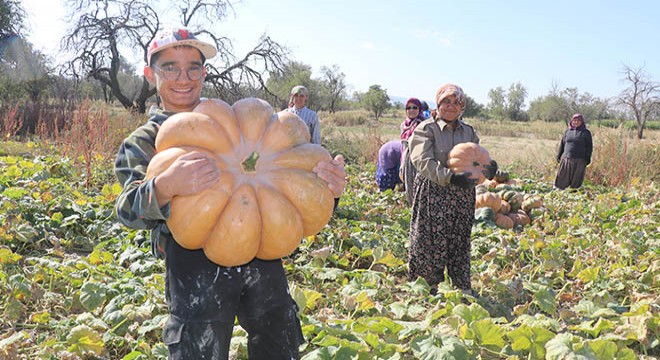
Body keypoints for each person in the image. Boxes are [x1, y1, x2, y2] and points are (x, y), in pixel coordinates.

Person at [114, 27, 346, 360]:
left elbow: (294, 188)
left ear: (204, 73)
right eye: (170, 67)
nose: (184, 77)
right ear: (150, 73)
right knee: (200, 349)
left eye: (193, 67)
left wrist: (328, 187)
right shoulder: (145, 140)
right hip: (192, 266)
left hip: (261, 257)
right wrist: (165, 186)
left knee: (278, 343)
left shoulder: (238, 119)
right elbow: (126, 211)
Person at [407, 84, 497, 294]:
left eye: (456, 103)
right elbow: (422, 161)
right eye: (446, 101)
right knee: (428, 241)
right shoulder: (426, 129)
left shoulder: (469, 132)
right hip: (434, 191)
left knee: (459, 240)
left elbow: (478, 158)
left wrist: (490, 168)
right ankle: (426, 289)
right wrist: (450, 178)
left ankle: (461, 287)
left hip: (462, 195)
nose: (450, 106)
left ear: (462, 108)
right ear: (438, 104)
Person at [399, 97, 427, 203]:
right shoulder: (404, 125)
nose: (411, 110)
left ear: (419, 109)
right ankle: (412, 207)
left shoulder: (423, 124)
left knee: (419, 185)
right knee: (408, 183)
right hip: (407, 158)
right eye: (408, 108)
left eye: (414, 107)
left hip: (420, 159)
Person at [554, 113, 593, 189]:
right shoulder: (568, 132)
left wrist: (587, 159)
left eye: (578, 120)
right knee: (562, 178)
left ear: (582, 122)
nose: (576, 122)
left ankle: (574, 193)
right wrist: (559, 156)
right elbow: (562, 144)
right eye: (574, 120)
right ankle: (560, 191)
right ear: (571, 121)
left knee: (576, 180)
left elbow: (589, 147)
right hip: (567, 159)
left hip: (580, 160)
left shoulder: (586, 133)